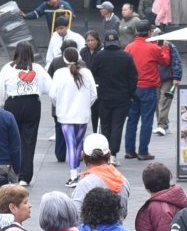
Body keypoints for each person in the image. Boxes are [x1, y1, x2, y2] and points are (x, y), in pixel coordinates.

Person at [0, 40, 52, 187]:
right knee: (29, 140)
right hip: (32, 104)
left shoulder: (7, 68)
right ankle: (25, 176)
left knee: (12, 139)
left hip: (13, 103)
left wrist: (0, 104)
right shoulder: (38, 69)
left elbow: (0, 89)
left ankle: (13, 171)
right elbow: (49, 87)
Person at [50, 46, 98, 187]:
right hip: (82, 115)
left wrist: (60, 105)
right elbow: (94, 94)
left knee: (71, 144)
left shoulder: (59, 73)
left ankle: (74, 174)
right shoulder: (86, 72)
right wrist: (85, 106)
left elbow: (53, 95)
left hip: (65, 115)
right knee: (77, 144)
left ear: (64, 59)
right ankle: (76, 172)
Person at [123, 22, 171, 161]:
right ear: (149, 32)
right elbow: (165, 61)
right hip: (149, 88)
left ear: (137, 31)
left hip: (133, 88)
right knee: (147, 121)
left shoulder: (129, 47)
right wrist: (166, 48)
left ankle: (129, 150)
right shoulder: (153, 48)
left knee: (132, 120)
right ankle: (143, 151)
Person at [88, 31, 137, 163]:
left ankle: (105, 152)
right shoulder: (126, 57)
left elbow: (92, 73)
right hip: (122, 96)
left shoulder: (99, 56)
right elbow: (133, 77)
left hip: (104, 96)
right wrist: (131, 94)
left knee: (105, 125)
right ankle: (113, 154)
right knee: (117, 125)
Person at [71, 132, 131, 218]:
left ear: (82, 155)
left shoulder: (85, 184)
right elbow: (123, 214)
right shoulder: (122, 181)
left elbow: (76, 217)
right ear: (109, 154)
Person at [47, 39, 81, 163]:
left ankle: (60, 154)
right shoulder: (81, 64)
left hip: (59, 104)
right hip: (76, 103)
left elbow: (48, 79)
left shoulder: (56, 62)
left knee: (59, 128)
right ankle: (77, 152)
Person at [151, 27, 182, 137]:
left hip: (168, 78)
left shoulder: (170, 46)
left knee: (164, 102)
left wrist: (176, 77)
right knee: (157, 102)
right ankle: (164, 124)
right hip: (155, 78)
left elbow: (176, 62)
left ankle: (162, 126)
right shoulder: (152, 46)